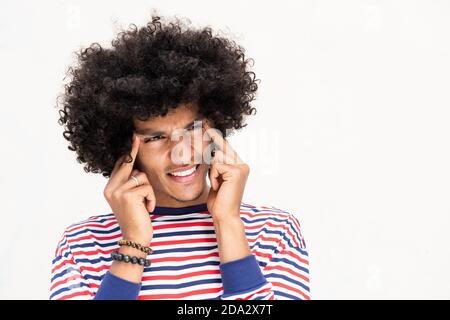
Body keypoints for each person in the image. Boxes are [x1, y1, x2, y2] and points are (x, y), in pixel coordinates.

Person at [50, 14, 310, 300]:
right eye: (156, 137)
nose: (182, 153)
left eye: (193, 129)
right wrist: (134, 242)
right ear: (125, 150)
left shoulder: (274, 233)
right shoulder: (82, 245)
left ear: (215, 127)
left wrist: (227, 223)